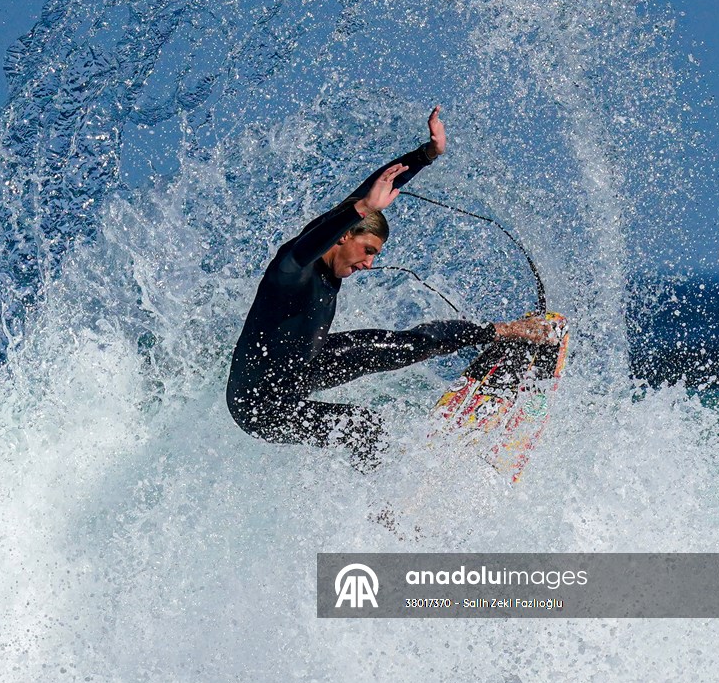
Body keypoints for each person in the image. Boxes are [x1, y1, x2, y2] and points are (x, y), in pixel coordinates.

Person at [226, 106, 555, 469]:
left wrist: (425, 156)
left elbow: (369, 192)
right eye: (367, 251)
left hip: (304, 365)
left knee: (408, 345)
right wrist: (360, 208)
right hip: (260, 404)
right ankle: (382, 514)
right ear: (344, 235)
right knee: (364, 427)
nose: (369, 263)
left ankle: (499, 332)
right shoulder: (292, 271)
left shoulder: (338, 253)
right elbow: (312, 241)